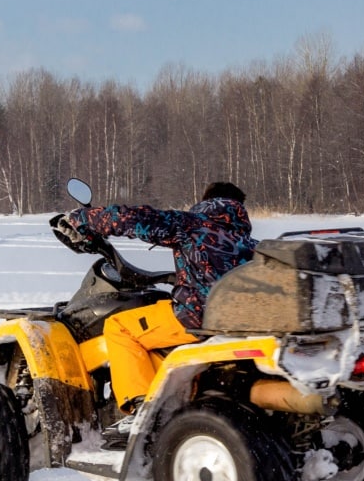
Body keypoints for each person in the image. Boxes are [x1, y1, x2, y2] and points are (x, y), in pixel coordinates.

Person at [59, 182, 256, 445]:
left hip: (198, 318)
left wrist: (82, 218)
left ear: (207, 201)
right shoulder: (250, 242)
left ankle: (140, 408)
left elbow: (136, 219)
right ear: (239, 207)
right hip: (242, 323)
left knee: (120, 327)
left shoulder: (193, 224)